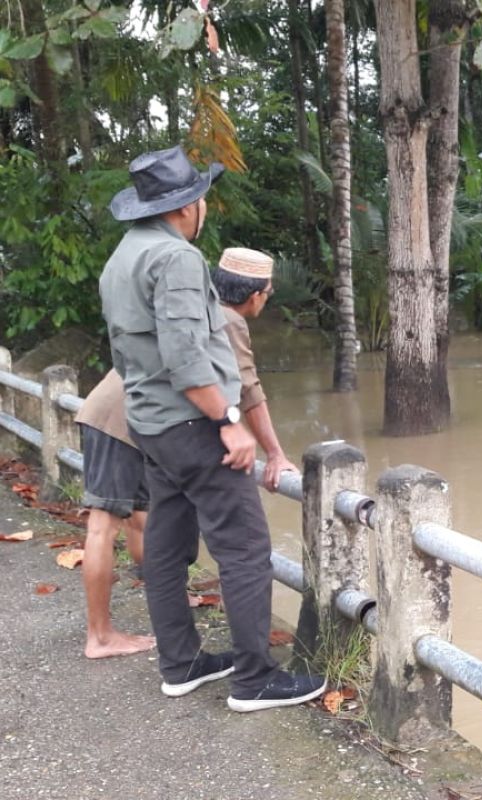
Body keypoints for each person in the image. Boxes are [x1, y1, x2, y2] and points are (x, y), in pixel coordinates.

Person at [99, 145, 324, 711]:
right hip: (193, 427)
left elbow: (127, 356)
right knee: (246, 549)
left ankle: (181, 664)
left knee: (169, 549)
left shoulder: (122, 256)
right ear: (187, 206)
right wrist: (227, 421)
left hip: (150, 426)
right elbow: (184, 355)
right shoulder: (176, 260)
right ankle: (254, 679)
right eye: (202, 199)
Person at [74, 369, 156, 659]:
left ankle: (166, 594)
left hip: (135, 418)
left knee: (141, 513)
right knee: (103, 523)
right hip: (117, 420)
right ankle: (100, 637)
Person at [211, 247, 298, 490]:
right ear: (255, 296)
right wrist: (275, 454)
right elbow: (248, 388)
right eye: (269, 292)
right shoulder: (229, 320)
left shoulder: (202, 308)